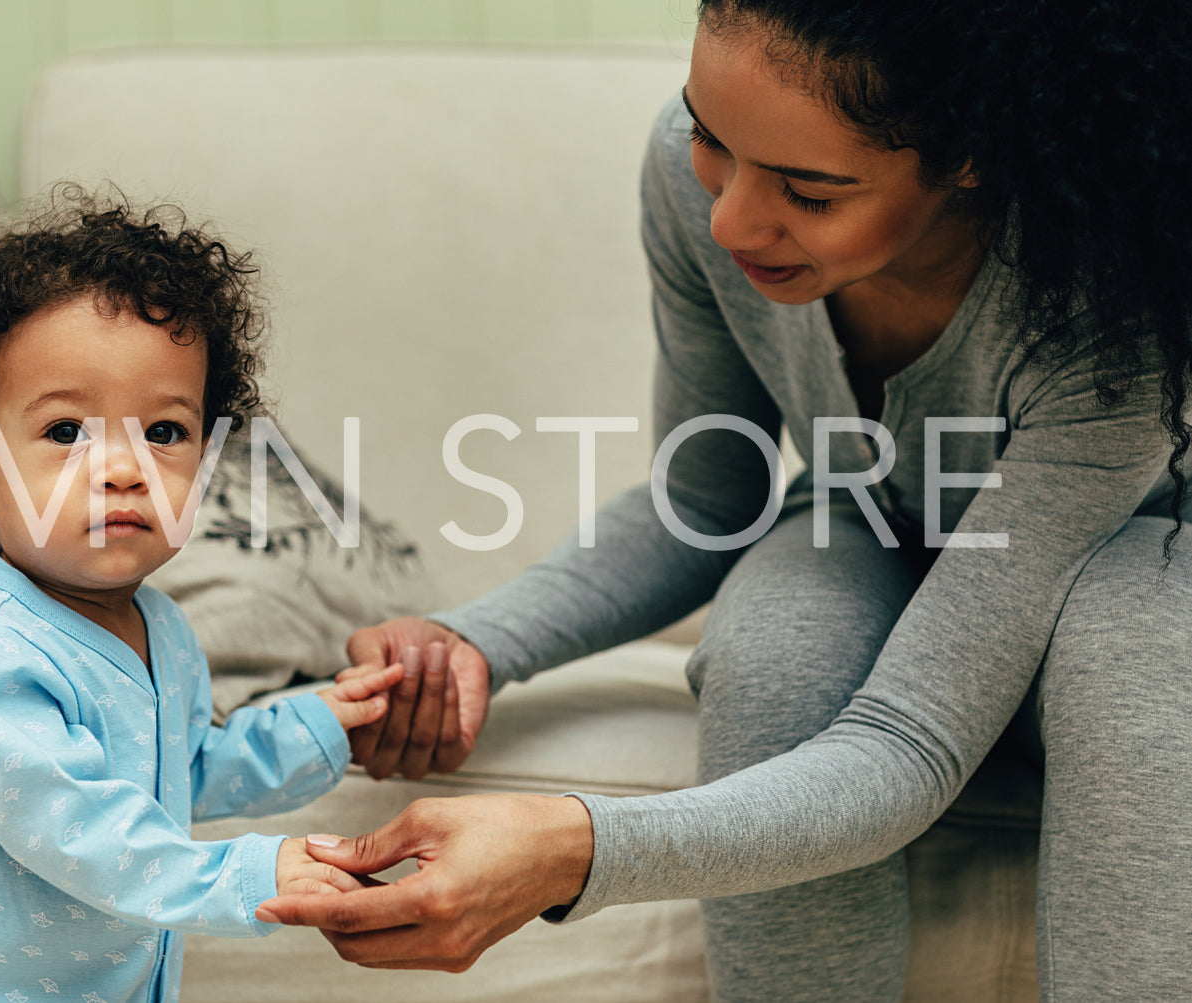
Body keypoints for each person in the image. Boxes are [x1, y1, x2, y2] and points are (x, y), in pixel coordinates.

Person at [255, 2, 1192, 999]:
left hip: (1118, 568)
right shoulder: (685, 173)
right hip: (876, 520)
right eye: (710, 137)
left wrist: (573, 845)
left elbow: (904, 746)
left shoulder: (1105, 316)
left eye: (807, 189)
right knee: (779, 630)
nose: (729, 220)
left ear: (971, 158)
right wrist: (468, 641)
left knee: (1131, 628)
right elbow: (704, 498)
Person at [0, 193, 403, 1003]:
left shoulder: (157, 626)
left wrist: (322, 725)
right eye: (66, 432)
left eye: (164, 432)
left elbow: (177, 770)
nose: (124, 467)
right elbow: (80, 829)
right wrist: (249, 870)